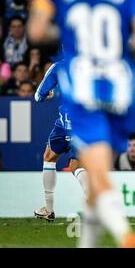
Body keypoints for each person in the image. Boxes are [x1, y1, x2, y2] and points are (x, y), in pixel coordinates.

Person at [27, 0, 135, 248]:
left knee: (93, 169)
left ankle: (124, 232)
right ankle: (87, 242)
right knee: (96, 165)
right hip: (120, 83)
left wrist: (76, 39)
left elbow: (36, 30)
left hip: (83, 85)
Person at [33, 61, 88, 222]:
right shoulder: (95, 64)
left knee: (49, 158)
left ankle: (49, 209)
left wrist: (47, 94)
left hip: (65, 123)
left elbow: (38, 96)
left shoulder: (59, 67)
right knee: (76, 166)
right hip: (85, 124)